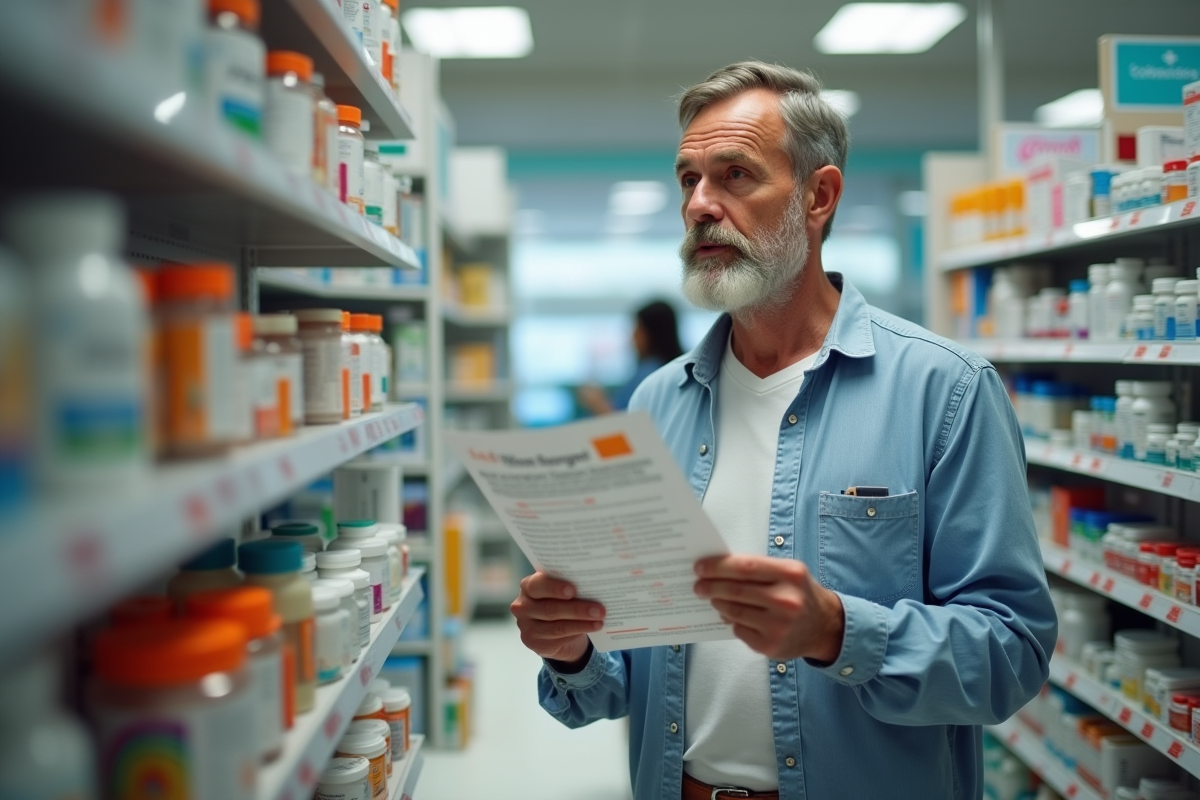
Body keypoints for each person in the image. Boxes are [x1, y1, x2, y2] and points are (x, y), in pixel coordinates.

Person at [509, 61, 1056, 800]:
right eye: (688, 179)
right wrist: (573, 649)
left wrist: (838, 631)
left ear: (818, 196)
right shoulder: (656, 405)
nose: (701, 204)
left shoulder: (944, 391)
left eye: (735, 175)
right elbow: (618, 684)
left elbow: (1012, 657)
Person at [577, 300, 684, 415]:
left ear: (652, 333)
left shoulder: (650, 373)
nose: (632, 337)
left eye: (637, 330)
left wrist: (598, 404)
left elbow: (633, 423)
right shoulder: (672, 370)